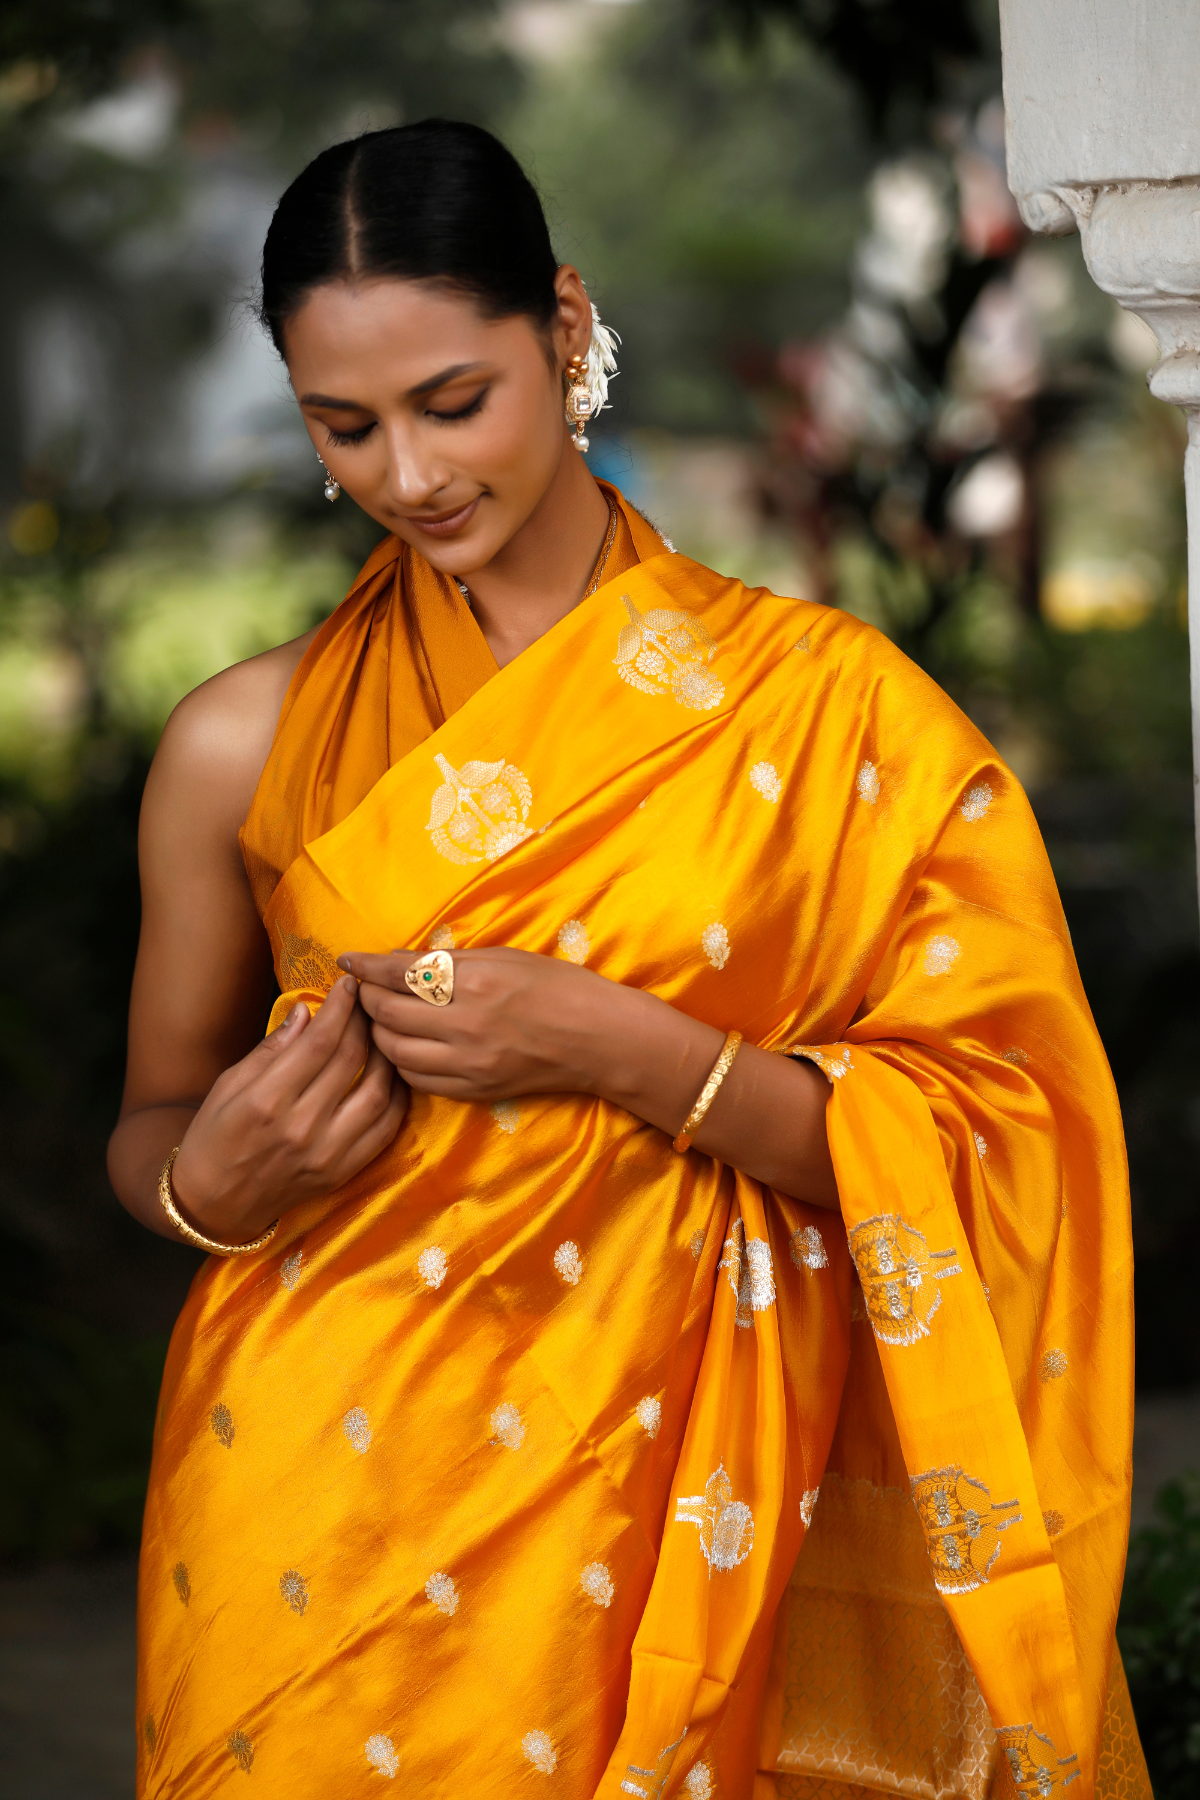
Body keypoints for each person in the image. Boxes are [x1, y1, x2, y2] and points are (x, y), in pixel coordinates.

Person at [110, 119, 1149, 1800]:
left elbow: (1011, 1130)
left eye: (456, 402)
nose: (412, 475)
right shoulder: (245, 739)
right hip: (316, 1498)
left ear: (568, 328)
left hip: (694, 1495)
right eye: (345, 425)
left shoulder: (829, 713)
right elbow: (157, 1121)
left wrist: (634, 1052)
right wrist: (204, 1186)